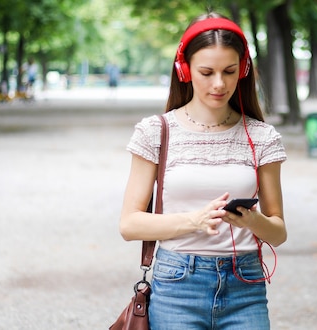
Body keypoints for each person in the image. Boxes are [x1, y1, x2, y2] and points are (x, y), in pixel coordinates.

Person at [119, 13, 287, 329]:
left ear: (244, 70)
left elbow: (278, 232)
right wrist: (194, 221)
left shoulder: (262, 136)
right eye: (206, 72)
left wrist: (252, 220)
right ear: (184, 70)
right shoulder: (155, 132)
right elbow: (129, 224)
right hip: (177, 285)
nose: (219, 83)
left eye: (229, 71)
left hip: (245, 284)